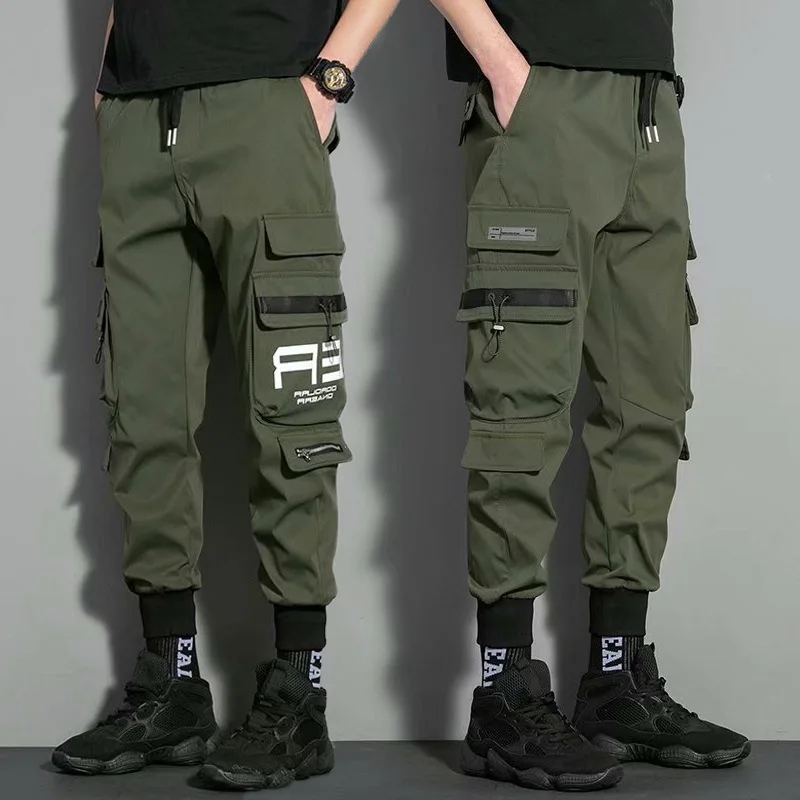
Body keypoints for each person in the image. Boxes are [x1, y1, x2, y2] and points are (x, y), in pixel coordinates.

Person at [52, 0, 399, 790]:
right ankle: (169, 685)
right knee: (144, 413)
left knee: (294, 417)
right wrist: (107, 86)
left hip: (266, 104)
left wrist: (329, 79)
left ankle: (299, 694)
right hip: (139, 117)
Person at [429, 0, 750, 790]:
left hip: (648, 106)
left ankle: (615, 681)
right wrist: (505, 68)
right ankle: (504, 691)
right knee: (520, 410)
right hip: (541, 98)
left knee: (649, 406)